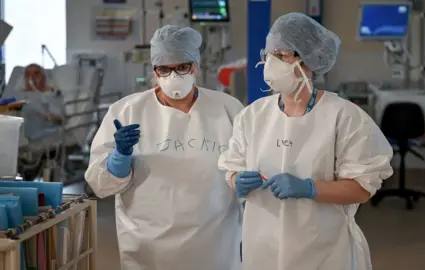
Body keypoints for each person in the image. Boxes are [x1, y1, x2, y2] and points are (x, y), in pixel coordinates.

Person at [218, 13, 394, 270]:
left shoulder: (344, 117)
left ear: (308, 60)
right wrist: (238, 181)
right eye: (268, 54)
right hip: (262, 246)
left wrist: (311, 188)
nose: (270, 62)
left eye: (281, 55)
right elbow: (232, 168)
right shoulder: (253, 116)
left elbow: (362, 187)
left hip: (322, 249)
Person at [85, 25, 244, 270]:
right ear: (154, 72)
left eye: (182, 67)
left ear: (196, 67)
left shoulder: (227, 109)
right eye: (164, 69)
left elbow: (249, 164)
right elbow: (99, 184)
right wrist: (119, 159)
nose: (174, 75)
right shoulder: (126, 111)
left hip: (214, 242)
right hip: (148, 246)